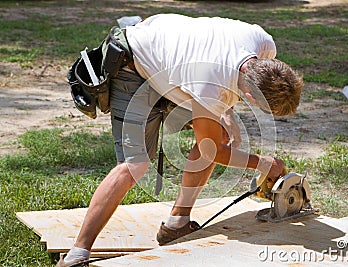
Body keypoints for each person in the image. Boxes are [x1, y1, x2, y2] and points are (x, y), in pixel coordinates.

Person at [57, 13, 303, 267]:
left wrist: (225, 112)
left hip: (169, 61)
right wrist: (263, 163)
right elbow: (211, 151)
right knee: (135, 165)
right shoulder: (209, 82)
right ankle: (78, 253)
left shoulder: (264, 43)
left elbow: (218, 67)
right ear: (251, 97)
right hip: (132, 65)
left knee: (219, 133)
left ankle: (177, 224)